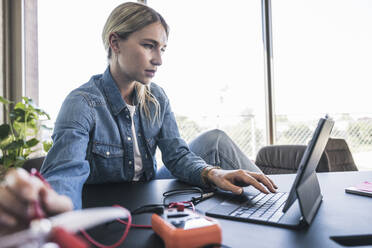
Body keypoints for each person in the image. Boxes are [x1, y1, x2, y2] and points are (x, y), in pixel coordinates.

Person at [0, 2, 277, 233]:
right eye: (149, 46)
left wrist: (212, 173)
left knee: (214, 139)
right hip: (110, 204)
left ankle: (272, 208)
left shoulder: (157, 98)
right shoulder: (82, 103)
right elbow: (65, 175)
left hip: (147, 188)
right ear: (115, 43)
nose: (159, 59)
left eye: (162, 49)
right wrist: (58, 214)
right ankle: (274, 209)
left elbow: (176, 155)